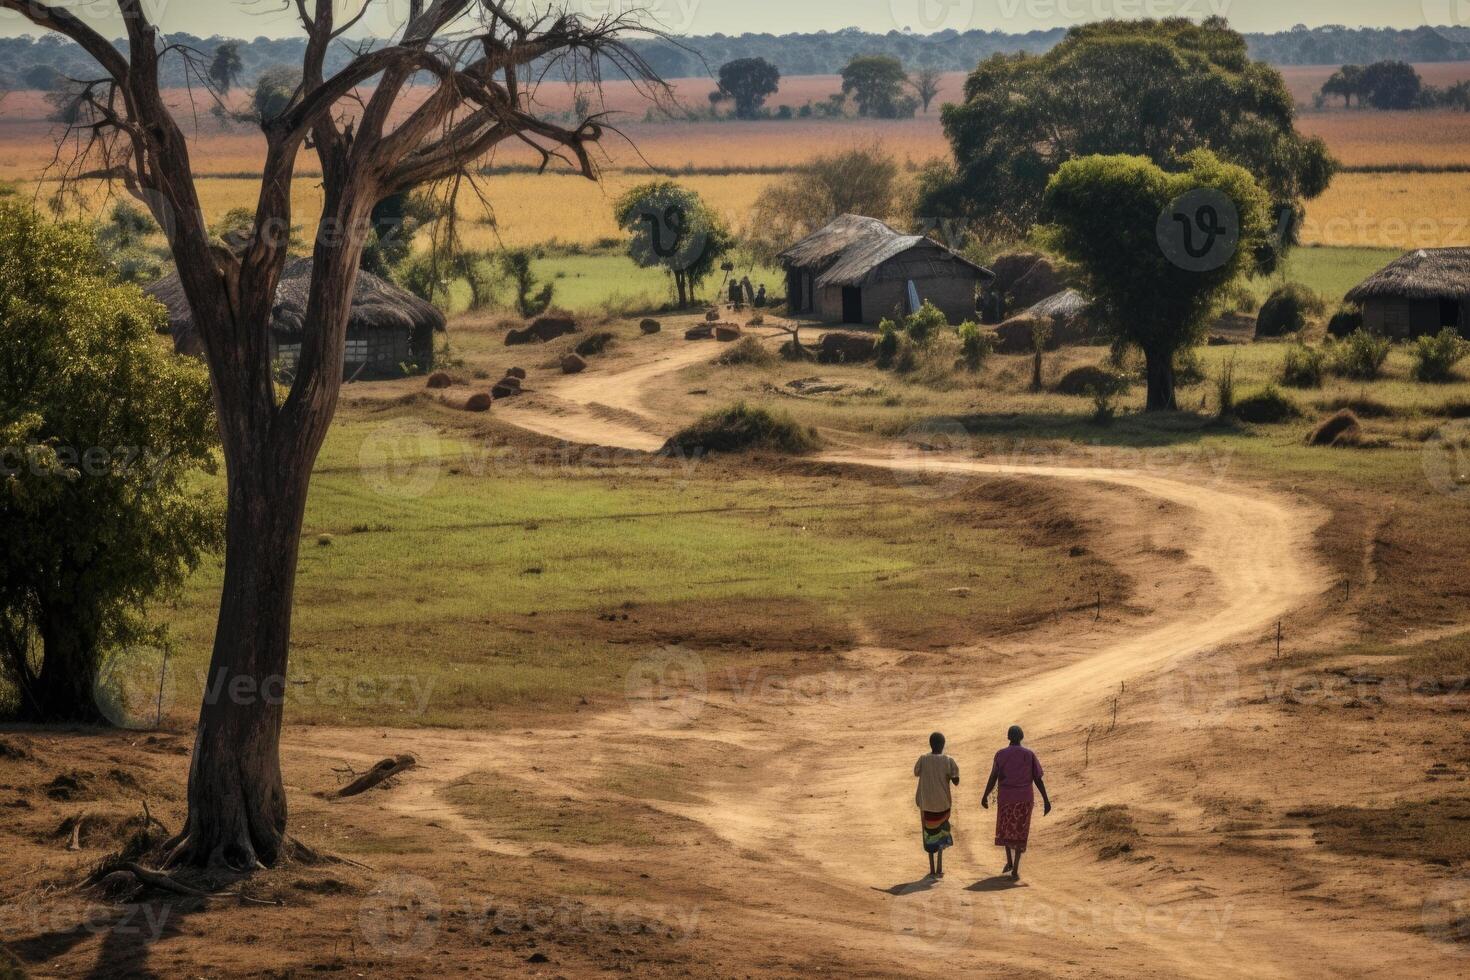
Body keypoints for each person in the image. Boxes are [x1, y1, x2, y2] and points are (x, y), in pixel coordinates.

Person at [981, 725, 1051, 882]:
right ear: (1022, 737)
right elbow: (1038, 779)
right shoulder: (1029, 754)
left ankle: (1009, 861)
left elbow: (993, 777)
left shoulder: (1000, 754)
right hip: (1024, 798)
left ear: (1008, 737)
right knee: (1020, 830)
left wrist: (985, 795)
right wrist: (1046, 800)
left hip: (1006, 797)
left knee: (1006, 827)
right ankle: (1016, 868)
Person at [913, 731, 960, 878]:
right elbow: (956, 780)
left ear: (930, 744)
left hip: (926, 804)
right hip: (943, 804)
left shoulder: (923, 759)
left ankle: (932, 868)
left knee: (928, 834)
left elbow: (916, 772)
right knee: (941, 833)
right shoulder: (948, 760)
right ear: (943, 745)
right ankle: (939, 866)